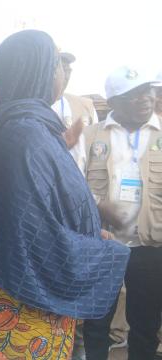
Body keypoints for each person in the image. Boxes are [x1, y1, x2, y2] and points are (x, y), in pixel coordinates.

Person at [0, 30, 130, 359]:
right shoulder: (27, 133)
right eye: (55, 64)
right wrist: (106, 249)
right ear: (35, 70)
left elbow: (44, 207)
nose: (62, 74)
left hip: (21, 283)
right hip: (23, 299)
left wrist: (92, 228)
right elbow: (38, 235)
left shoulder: (29, 125)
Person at [72, 66, 161, 360]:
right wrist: (98, 204)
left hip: (151, 246)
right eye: (134, 95)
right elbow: (71, 185)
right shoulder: (91, 135)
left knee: (146, 324)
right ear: (113, 103)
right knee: (97, 322)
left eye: (148, 91)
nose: (146, 99)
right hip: (103, 243)